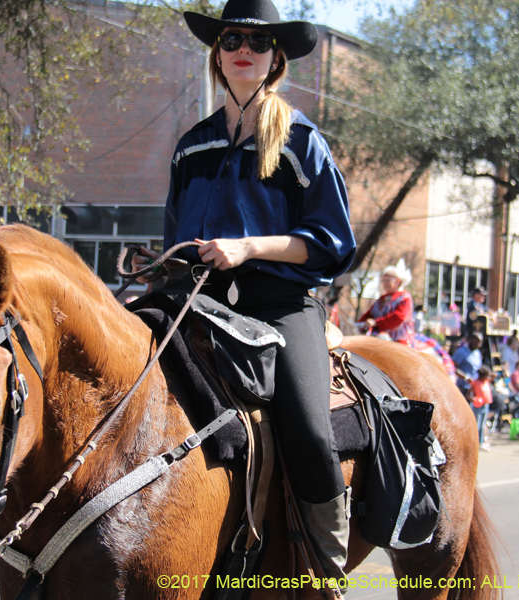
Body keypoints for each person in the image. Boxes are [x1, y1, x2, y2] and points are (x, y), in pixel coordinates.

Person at [132, 0, 356, 589]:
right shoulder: (192, 146)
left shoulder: (302, 140)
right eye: (232, 40)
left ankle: (324, 567)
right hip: (197, 299)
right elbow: (174, 235)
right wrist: (163, 268)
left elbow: (334, 244)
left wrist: (249, 248)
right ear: (218, 53)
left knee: (308, 428)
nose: (243, 52)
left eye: (258, 44)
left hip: (282, 303)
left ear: (275, 58)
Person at [357, 259, 415, 344]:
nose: (384, 283)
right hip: (380, 339)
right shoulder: (381, 299)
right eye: (383, 281)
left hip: (399, 341)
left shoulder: (404, 298)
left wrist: (376, 323)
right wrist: (360, 324)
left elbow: (399, 317)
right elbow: (369, 314)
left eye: (388, 280)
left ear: (398, 282)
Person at [453, 332, 483, 398]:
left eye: (480, 343)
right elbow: (452, 368)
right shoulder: (461, 352)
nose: (478, 345)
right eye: (476, 343)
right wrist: (466, 377)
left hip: (472, 389)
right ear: (470, 341)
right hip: (461, 388)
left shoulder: (477, 353)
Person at [470, 366, 493, 451]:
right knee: (477, 425)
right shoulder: (476, 383)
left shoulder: (486, 382)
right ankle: (477, 442)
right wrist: (473, 399)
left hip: (485, 405)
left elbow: (494, 375)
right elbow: (469, 394)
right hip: (478, 406)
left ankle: (482, 441)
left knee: (483, 425)